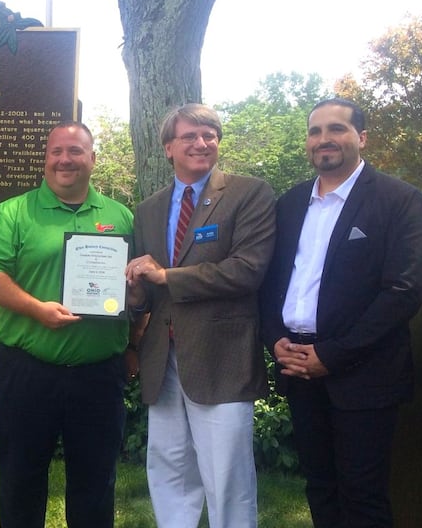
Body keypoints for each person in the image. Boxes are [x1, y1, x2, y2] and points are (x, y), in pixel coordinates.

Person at [260, 98, 422, 527]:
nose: (324, 139)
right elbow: (273, 282)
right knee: (320, 487)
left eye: (336, 129)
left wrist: (332, 356)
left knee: (363, 497)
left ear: (361, 137)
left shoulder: (399, 200)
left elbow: (403, 292)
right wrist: (274, 338)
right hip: (299, 367)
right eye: (315, 131)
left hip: (365, 375)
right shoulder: (291, 203)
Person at [0, 121, 134, 527]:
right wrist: (36, 309)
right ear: (45, 159)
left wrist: (134, 347)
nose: (65, 159)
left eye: (76, 151)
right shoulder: (13, 212)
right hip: (28, 371)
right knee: (21, 479)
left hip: (98, 375)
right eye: (57, 151)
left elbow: (139, 289)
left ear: (92, 159)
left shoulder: (122, 216)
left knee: (96, 483)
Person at [124, 103, 275, 528]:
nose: (202, 143)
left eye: (210, 135)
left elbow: (247, 270)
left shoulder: (249, 193)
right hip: (163, 361)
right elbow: (150, 294)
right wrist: (137, 292)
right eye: (190, 136)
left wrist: (165, 274)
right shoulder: (148, 209)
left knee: (227, 477)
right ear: (168, 147)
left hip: (221, 357)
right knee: (169, 469)